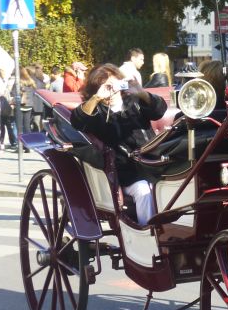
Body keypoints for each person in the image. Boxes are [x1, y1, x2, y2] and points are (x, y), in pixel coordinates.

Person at [70, 64, 167, 225]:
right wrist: (97, 98)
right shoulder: (97, 111)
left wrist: (142, 93)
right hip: (125, 172)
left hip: (152, 163)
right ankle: (148, 232)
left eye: (115, 84)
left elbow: (159, 110)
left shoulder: (134, 102)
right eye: (107, 86)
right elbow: (77, 121)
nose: (112, 91)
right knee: (144, 190)